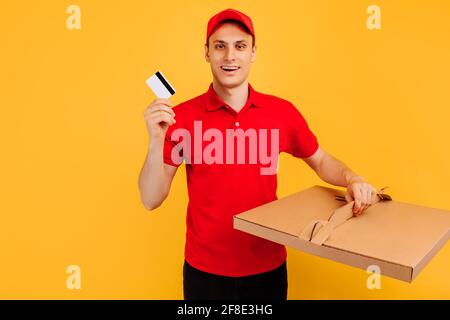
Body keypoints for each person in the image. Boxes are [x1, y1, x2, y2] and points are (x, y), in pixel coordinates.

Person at [139, 8, 378, 300]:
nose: (230, 56)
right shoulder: (181, 118)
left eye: (240, 46)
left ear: (253, 52)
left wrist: (353, 178)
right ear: (206, 53)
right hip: (205, 272)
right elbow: (151, 199)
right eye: (220, 46)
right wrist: (155, 140)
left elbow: (321, 160)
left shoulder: (281, 113)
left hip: (267, 269)